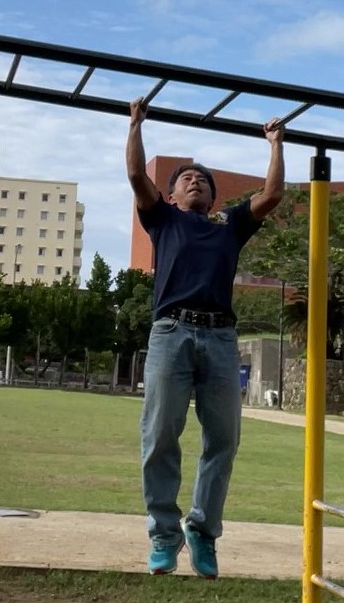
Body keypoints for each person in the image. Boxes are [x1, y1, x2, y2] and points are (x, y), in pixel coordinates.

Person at [126, 97, 285, 578]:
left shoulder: (228, 226)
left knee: (223, 440)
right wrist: (135, 125)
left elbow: (272, 195)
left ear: (213, 199)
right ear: (171, 195)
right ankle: (163, 532)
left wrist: (275, 144)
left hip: (219, 338)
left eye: (203, 180)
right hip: (171, 332)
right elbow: (137, 177)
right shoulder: (163, 219)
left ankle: (202, 530)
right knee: (159, 435)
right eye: (185, 178)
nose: (195, 180)